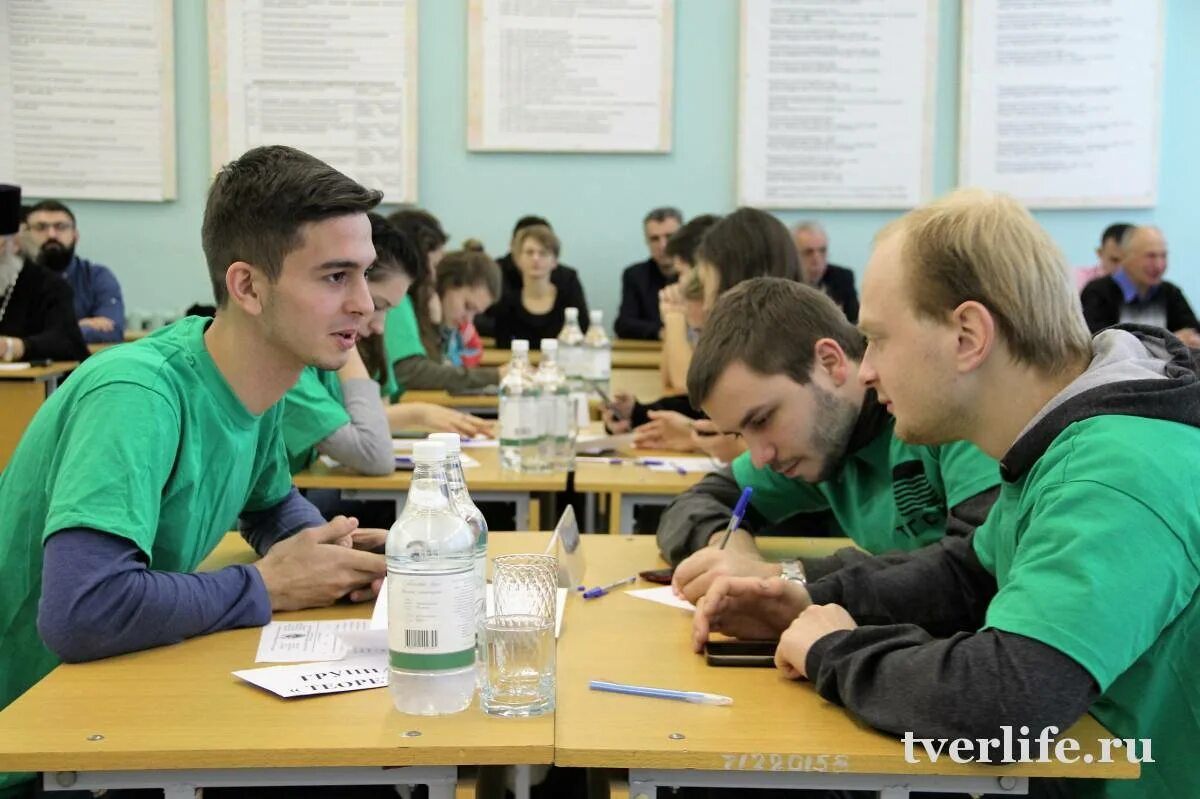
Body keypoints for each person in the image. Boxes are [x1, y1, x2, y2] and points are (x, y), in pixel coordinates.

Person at [695, 189, 1200, 798]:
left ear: (967, 335)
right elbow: (966, 575)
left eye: (878, 339)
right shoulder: (1066, 440)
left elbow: (1009, 701)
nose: (868, 369)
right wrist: (801, 596)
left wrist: (833, 651)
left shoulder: (1112, 472)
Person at [0, 147, 391, 798]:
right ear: (247, 286)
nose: (364, 303)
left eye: (364, 274)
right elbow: (81, 610)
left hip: (112, 703)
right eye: (334, 277)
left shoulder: (259, 378)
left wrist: (332, 554)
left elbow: (269, 503)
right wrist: (267, 583)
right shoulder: (136, 394)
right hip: (33, 742)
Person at [658, 277, 1000, 603]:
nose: (760, 456)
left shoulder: (944, 411)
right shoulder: (825, 440)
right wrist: (732, 550)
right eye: (740, 433)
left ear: (829, 362)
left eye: (762, 420)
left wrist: (785, 576)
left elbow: (981, 566)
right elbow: (696, 503)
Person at [282, 214, 493, 479]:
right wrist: (418, 413)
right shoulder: (290, 363)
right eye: (378, 306)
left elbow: (372, 421)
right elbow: (374, 453)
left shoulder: (328, 352)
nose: (379, 325)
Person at [617, 207, 802, 462]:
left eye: (688, 275)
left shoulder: (784, 353)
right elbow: (676, 386)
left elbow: (689, 384)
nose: (683, 286)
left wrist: (674, 316)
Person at [389, 241, 507, 392]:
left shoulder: (443, 328)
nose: (468, 320)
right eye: (467, 306)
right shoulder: (403, 305)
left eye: (475, 313)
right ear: (447, 285)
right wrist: (494, 376)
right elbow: (412, 373)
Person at [0, 185, 89, 363]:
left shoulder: (49, 285)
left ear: (14, 243)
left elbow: (68, 342)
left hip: (33, 387)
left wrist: (15, 347)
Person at [25, 199, 126, 343]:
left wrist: (45, 332)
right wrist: (76, 326)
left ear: (75, 235)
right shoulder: (10, 277)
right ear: (24, 235)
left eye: (61, 227)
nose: (52, 235)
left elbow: (113, 332)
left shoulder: (97, 277)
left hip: (81, 363)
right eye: (41, 227)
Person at [1080, 225, 1200, 347]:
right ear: (1125, 257)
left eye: (1163, 256)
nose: (1159, 265)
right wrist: (1169, 341)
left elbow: (1192, 333)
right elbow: (1101, 344)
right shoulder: (1098, 293)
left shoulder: (1170, 292)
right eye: (1150, 256)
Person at [474, 215, 588, 338]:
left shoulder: (567, 278)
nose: (536, 259)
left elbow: (582, 326)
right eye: (529, 252)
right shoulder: (497, 275)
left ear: (554, 260)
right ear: (517, 257)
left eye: (543, 252)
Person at [615, 206, 683, 340]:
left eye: (669, 236)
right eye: (654, 239)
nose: (663, 245)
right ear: (646, 241)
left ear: (682, 238)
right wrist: (661, 332)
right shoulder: (634, 275)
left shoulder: (697, 274)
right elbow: (624, 324)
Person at [792, 221, 859, 322]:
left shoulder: (843, 278)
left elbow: (855, 322)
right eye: (808, 252)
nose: (817, 259)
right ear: (793, 254)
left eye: (822, 251)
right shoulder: (783, 280)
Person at [1074, 222, 1133, 292]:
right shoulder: (1077, 280)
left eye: (1130, 260)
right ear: (1100, 253)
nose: (1121, 268)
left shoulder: (1147, 284)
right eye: (1115, 260)